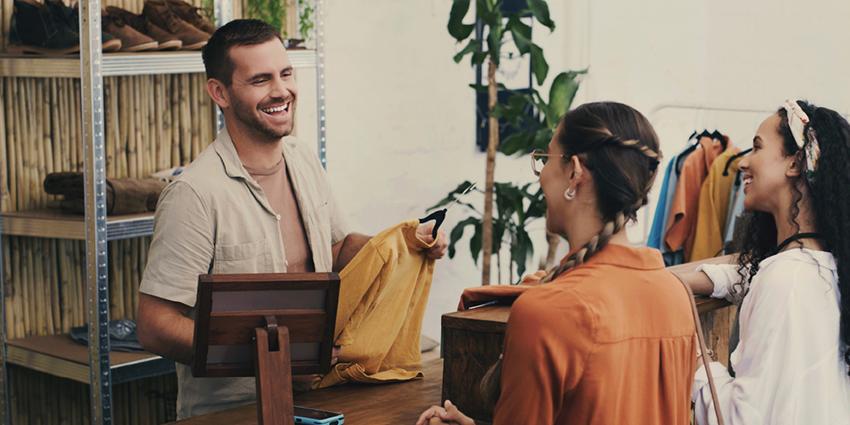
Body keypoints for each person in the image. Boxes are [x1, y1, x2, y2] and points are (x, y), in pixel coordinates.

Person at [135, 19, 447, 419]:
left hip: (319, 397)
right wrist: (273, 357)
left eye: (285, 73)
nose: (281, 90)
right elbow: (155, 324)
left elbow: (334, 249)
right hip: (233, 411)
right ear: (220, 92)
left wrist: (402, 245)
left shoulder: (301, 159)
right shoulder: (195, 194)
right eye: (260, 80)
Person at [418, 102, 696, 425]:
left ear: (574, 172)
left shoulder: (548, 312)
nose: (540, 176)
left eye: (545, 159)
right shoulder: (675, 296)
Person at [676, 100, 850, 424]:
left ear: (795, 163)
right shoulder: (822, 269)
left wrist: (697, 363)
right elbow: (754, 275)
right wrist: (693, 280)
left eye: (757, 147)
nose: (744, 163)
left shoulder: (786, 281)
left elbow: (742, 418)